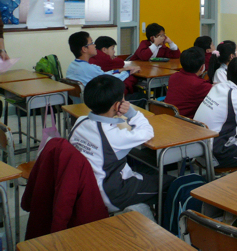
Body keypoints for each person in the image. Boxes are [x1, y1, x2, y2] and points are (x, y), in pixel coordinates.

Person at [69, 75, 173, 212]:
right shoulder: (113, 136)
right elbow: (148, 132)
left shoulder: (80, 121)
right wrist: (132, 114)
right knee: (169, 183)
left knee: (142, 165)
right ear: (117, 105)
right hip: (111, 194)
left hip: (84, 187)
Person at [66, 32, 140, 87]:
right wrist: (128, 72)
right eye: (91, 43)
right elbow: (111, 80)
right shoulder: (88, 68)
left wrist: (121, 70)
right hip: (95, 104)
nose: (95, 45)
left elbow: (103, 75)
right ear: (84, 49)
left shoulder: (72, 65)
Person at [165, 47, 212, 119]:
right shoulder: (199, 85)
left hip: (168, 118)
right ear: (202, 67)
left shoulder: (173, 77)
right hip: (184, 123)